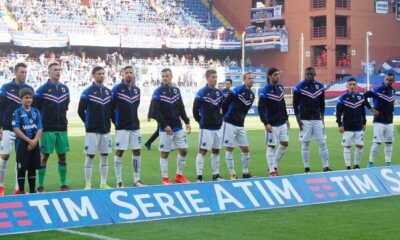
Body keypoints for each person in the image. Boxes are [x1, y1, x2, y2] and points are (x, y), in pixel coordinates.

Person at [150, 68, 191, 185]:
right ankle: (165, 178)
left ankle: (179, 176)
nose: (165, 78)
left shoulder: (176, 90)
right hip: (165, 128)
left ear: (171, 76)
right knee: (165, 153)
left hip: (178, 126)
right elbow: (156, 111)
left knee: (184, 150)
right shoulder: (157, 92)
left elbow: (181, 107)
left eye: (167, 76)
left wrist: (187, 121)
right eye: (163, 76)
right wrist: (164, 125)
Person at [33, 63, 70, 192]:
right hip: (47, 129)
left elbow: (66, 107)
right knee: (44, 157)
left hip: (62, 129)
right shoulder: (41, 90)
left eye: (59, 70)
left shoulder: (65, 89)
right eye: (55, 70)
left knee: (62, 156)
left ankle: (63, 184)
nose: (57, 72)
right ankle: (40, 185)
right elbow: (36, 111)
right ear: (49, 72)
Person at [0, 63, 34, 196]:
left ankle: (17, 189)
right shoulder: (6, 88)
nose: (24, 75)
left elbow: (32, 110)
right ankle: (1, 186)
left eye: (26, 72)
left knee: (21, 160)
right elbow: (0, 107)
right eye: (22, 72)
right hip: (8, 127)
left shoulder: (29, 89)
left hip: (24, 130)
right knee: (5, 156)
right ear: (15, 72)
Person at [78, 66, 113, 189]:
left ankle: (103, 183)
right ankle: (88, 184)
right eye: (99, 73)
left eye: (103, 73)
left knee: (105, 155)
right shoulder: (87, 92)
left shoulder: (109, 92)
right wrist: (88, 123)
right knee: (90, 155)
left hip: (105, 130)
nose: (102, 75)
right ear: (93, 75)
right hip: (92, 130)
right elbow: (80, 111)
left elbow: (111, 110)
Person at [293, 67, 331, 173]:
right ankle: (307, 168)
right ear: (305, 74)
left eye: (311, 73)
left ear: (315, 74)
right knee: (305, 143)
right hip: (304, 119)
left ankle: (326, 167)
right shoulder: (299, 87)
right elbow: (295, 105)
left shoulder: (320, 86)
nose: (309, 75)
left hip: (317, 119)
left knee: (323, 142)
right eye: (307, 73)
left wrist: (322, 117)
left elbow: (322, 103)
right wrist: (298, 120)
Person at [111, 66, 144, 187]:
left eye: (131, 72)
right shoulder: (116, 89)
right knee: (120, 152)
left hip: (135, 126)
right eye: (127, 73)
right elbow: (111, 108)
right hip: (122, 127)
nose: (129, 74)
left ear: (134, 74)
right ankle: (119, 181)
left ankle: (137, 179)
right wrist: (117, 122)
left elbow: (136, 106)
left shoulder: (137, 90)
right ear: (122, 74)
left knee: (137, 151)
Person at [222, 72, 255, 179]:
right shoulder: (236, 91)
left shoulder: (252, 95)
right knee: (229, 149)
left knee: (245, 149)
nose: (251, 80)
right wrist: (226, 117)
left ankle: (245, 173)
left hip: (241, 125)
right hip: (229, 123)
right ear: (244, 79)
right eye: (249, 78)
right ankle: (233, 174)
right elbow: (225, 104)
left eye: (252, 78)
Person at [193, 69, 224, 182]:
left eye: (216, 77)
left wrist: (220, 119)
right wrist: (200, 121)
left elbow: (222, 108)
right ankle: (199, 177)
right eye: (213, 77)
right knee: (202, 151)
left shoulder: (219, 92)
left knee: (216, 151)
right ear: (207, 78)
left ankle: (216, 175)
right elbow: (195, 110)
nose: (215, 79)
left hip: (217, 127)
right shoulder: (201, 92)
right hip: (206, 127)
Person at [258, 68, 289, 176]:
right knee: (271, 146)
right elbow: (261, 108)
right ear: (269, 76)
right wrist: (265, 123)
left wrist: (286, 119)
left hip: (282, 122)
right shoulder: (264, 90)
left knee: (285, 143)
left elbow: (283, 104)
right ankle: (271, 171)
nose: (278, 76)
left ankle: (274, 166)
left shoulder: (280, 87)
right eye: (275, 74)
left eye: (278, 74)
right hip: (272, 123)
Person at [12, 88, 42, 194]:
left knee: (32, 168)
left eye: (30, 98)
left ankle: (32, 191)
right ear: (21, 99)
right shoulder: (17, 112)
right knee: (22, 168)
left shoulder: (36, 112)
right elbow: (16, 129)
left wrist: (34, 141)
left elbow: (39, 128)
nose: (29, 100)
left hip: (34, 142)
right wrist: (29, 141)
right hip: (22, 144)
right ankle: (21, 191)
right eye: (26, 98)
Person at [364, 73, 395, 167]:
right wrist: (370, 108)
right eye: (387, 79)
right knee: (377, 142)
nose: (388, 81)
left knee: (389, 142)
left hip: (389, 121)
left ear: (393, 81)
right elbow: (364, 96)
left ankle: (388, 163)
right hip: (379, 121)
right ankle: (370, 163)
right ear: (384, 79)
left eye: (390, 80)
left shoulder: (393, 90)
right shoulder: (378, 89)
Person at [336, 78, 366, 169]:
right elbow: (338, 113)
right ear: (347, 86)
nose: (352, 86)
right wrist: (340, 125)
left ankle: (356, 164)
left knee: (360, 145)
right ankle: (348, 166)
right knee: (347, 146)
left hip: (358, 126)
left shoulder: (361, 97)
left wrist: (364, 122)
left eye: (354, 84)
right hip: (347, 127)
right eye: (350, 84)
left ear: (356, 86)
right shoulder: (342, 98)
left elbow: (363, 111)